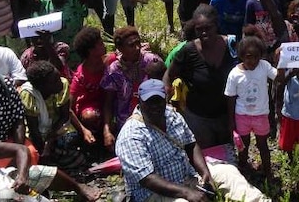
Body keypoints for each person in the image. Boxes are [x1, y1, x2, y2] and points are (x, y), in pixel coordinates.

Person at [115, 79, 271, 202]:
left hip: (187, 175)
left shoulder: (171, 114)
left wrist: (204, 172)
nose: (155, 106)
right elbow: (147, 179)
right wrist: (186, 192)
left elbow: (191, 144)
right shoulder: (131, 135)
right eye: (149, 102)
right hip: (153, 193)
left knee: (228, 173)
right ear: (140, 102)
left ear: (165, 99)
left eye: (159, 100)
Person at [166, 4, 238, 148]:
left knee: (227, 155)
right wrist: (166, 103)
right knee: (207, 158)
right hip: (199, 118)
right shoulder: (188, 50)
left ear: (216, 26)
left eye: (208, 28)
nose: (204, 33)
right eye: (199, 29)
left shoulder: (232, 46)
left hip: (227, 115)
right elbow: (169, 75)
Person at [101, 27, 163, 150]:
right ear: (120, 49)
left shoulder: (152, 61)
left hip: (153, 119)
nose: (137, 48)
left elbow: (165, 90)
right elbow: (108, 102)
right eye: (131, 45)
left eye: (138, 42)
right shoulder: (114, 70)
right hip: (127, 123)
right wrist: (107, 130)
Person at [224, 35, 277, 177]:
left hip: (261, 115)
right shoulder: (235, 74)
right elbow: (230, 97)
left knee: (263, 145)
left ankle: (267, 171)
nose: (252, 61)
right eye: (248, 57)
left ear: (261, 56)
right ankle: (242, 168)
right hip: (242, 115)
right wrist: (231, 121)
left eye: (256, 57)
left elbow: (278, 77)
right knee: (243, 145)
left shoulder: (264, 66)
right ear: (241, 56)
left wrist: (282, 63)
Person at [20, 60, 79, 167]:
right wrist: (43, 148)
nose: (60, 82)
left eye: (59, 77)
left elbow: (64, 117)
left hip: (56, 128)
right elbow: (34, 129)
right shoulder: (29, 94)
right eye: (55, 81)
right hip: (37, 134)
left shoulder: (63, 85)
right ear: (41, 87)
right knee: (36, 152)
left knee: (70, 139)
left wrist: (49, 141)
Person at [70, 27, 106, 145]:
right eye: (100, 44)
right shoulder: (80, 76)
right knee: (90, 116)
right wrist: (83, 130)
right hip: (90, 108)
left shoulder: (109, 62)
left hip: (108, 102)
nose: (104, 45)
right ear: (91, 51)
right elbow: (69, 108)